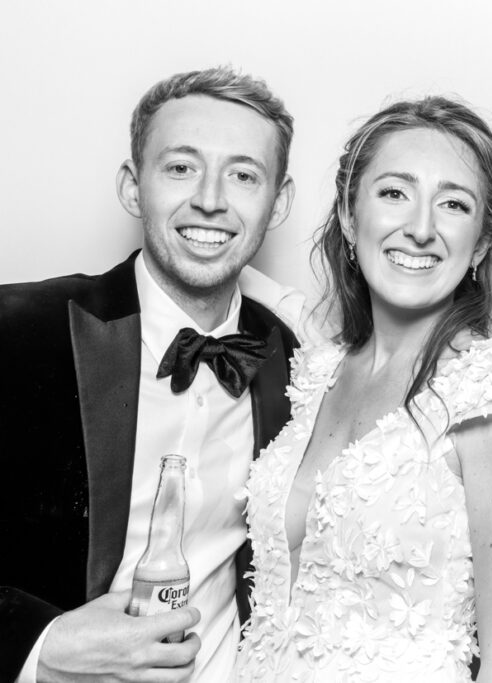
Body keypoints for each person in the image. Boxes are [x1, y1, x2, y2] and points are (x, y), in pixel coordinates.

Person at [234, 96, 492, 682]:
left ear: (483, 244)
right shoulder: (317, 370)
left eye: (454, 205)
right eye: (394, 193)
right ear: (347, 213)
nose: (419, 228)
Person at [0, 67, 307, 682]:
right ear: (132, 187)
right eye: (181, 167)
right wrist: (42, 645)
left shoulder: (296, 359)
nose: (212, 199)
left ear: (280, 202)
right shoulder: (18, 332)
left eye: (244, 175)